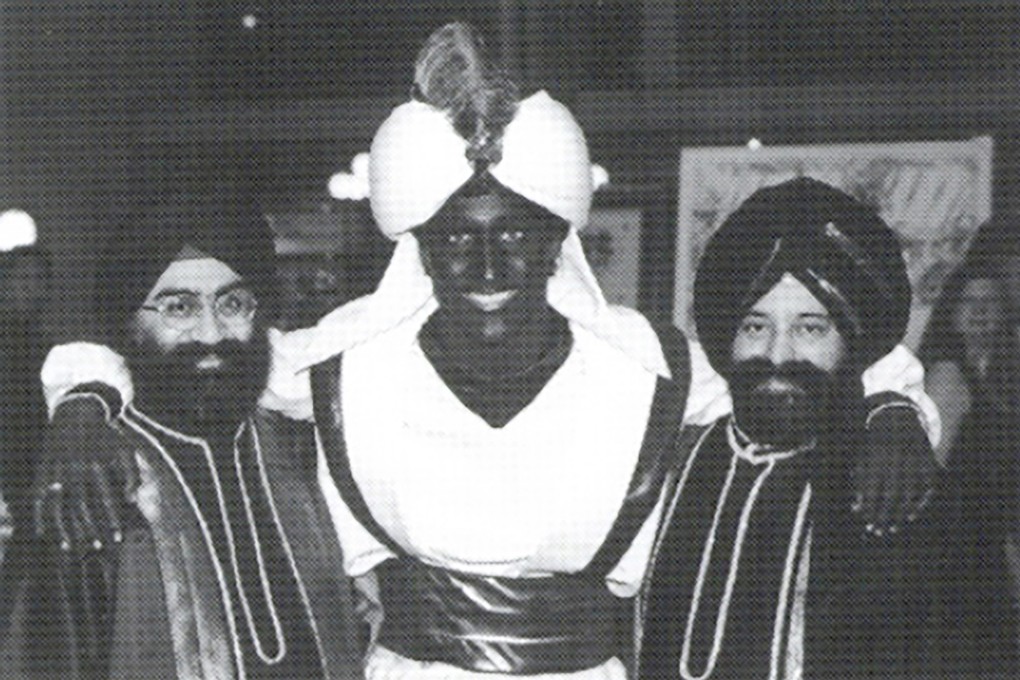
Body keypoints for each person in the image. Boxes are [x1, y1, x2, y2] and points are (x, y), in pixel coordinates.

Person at [34, 24, 938, 680]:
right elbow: (202, 352)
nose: (490, 262)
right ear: (420, 248)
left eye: (518, 236)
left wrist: (898, 412)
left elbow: (802, 358)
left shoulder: (646, 361)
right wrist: (80, 400)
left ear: (559, 242)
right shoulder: (347, 362)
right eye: (457, 240)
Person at [4, 188, 364, 679]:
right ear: (127, 322)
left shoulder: (302, 448)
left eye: (233, 303)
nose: (212, 334)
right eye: (179, 308)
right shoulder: (95, 481)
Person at [637, 178, 937, 679]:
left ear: (854, 339)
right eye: (754, 326)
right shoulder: (671, 457)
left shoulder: (897, 486)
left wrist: (894, 410)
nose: (777, 356)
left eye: (810, 328)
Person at [919, 232, 1020, 677]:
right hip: (958, 543)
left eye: (990, 303)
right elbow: (931, 471)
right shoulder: (947, 375)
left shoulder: (1001, 377)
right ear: (951, 314)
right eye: (968, 303)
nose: (980, 312)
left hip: (992, 535)